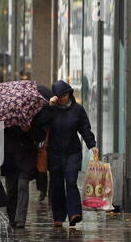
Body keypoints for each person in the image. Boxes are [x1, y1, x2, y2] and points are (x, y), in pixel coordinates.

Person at [35, 80, 98, 228]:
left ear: (70, 93)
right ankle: (58, 216)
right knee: (56, 185)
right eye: (60, 95)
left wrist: (92, 146)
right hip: (54, 153)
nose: (63, 98)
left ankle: (74, 214)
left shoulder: (78, 110)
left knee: (70, 181)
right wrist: (49, 107)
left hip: (72, 152)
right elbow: (40, 124)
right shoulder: (51, 110)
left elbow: (85, 129)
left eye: (65, 94)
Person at [2, 125, 46, 228]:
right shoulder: (4, 116)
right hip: (10, 158)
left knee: (22, 184)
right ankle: (13, 217)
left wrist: (29, 129)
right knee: (12, 188)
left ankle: (20, 218)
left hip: (27, 158)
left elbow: (40, 136)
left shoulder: (31, 115)